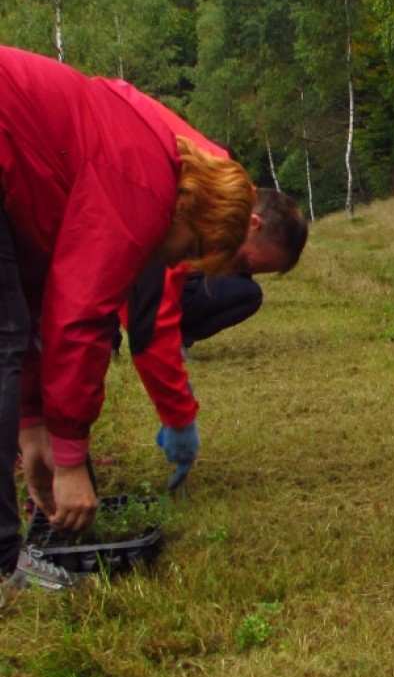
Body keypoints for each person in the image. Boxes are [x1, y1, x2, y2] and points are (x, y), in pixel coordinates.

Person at [0, 45, 254, 593]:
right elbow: (80, 316)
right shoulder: (144, 185)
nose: (174, 263)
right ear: (198, 209)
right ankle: (3, 568)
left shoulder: (144, 160)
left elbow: (28, 295)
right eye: (192, 250)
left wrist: (34, 426)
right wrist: (69, 461)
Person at [123, 187, 308, 487]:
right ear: (253, 222)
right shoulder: (188, 201)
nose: (230, 271)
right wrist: (178, 416)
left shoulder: (211, 204)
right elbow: (149, 324)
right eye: (245, 263)